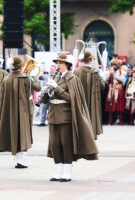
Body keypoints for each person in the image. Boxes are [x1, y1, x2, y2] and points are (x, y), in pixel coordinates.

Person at [41, 54, 98, 182]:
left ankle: (67, 171)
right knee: (55, 145)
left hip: (65, 115)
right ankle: (58, 171)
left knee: (66, 144)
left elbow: (72, 98)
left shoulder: (72, 78)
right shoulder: (54, 77)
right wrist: (45, 91)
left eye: (60, 63)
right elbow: (46, 100)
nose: (58, 65)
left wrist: (57, 88)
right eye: (57, 63)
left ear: (67, 65)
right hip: (53, 115)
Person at [0, 56, 41, 169]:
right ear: (21, 66)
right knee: (24, 133)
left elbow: (1, 95)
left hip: (10, 110)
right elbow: (38, 88)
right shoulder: (26, 78)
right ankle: (22, 159)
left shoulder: (6, 79)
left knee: (14, 132)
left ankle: (16, 157)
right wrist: (33, 77)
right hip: (24, 110)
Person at [73, 51, 106, 139]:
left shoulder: (76, 71)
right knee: (92, 119)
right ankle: (91, 137)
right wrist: (102, 77)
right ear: (91, 60)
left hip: (80, 101)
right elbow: (102, 86)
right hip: (93, 102)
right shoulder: (96, 72)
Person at [105, 59, 127, 125]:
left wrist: (114, 75)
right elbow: (105, 80)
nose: (113, 66)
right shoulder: (108, 71)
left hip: (119, 90)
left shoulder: (122, 72)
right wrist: (108, 74)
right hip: (111, 90)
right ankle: (110, 121)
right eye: (112, 65)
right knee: (110, 106)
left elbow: (123, 80)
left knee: (119, 106)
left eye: (115, 65)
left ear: (118, 65)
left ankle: (121, 121)